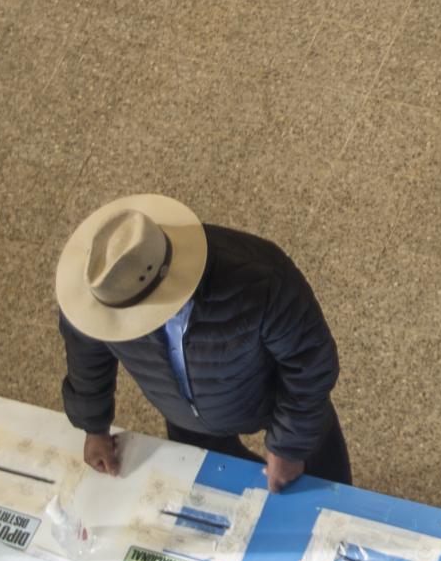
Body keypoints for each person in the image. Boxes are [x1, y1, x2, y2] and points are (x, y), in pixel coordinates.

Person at [57, 193, 350, 487]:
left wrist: (289, 446)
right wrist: (93, 426)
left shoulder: (262, 279)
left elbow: (309, 363)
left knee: (327, 484)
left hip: (269, 399)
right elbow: (86, 353)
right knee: (220, 492)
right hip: (185, 419)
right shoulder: (100, 291)